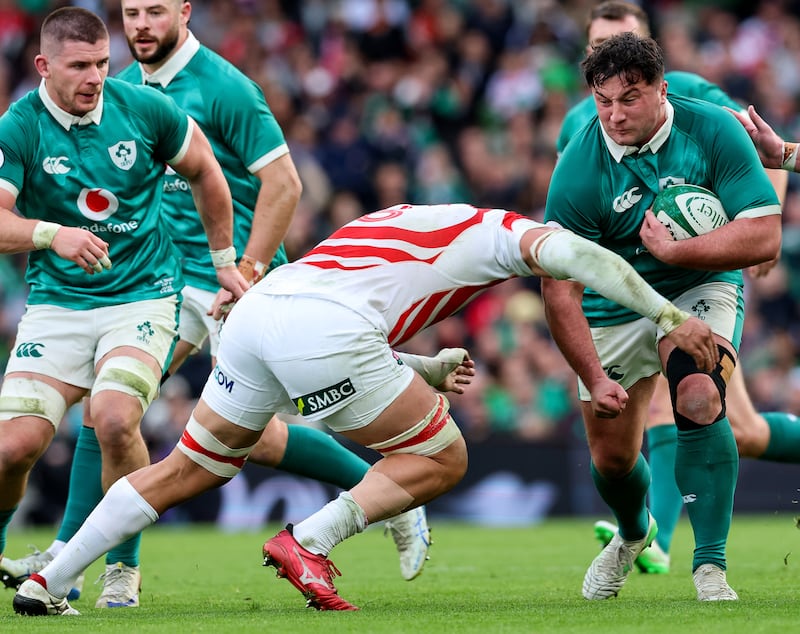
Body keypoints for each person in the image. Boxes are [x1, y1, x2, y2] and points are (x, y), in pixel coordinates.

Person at [12, 202, 718, 615]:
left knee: (187, 469)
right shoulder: (504, 231)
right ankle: (308, 541)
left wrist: (423, 367)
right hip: (317, 331)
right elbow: (584, 260)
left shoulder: (403, 220)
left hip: (264, 316)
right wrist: (663, 316)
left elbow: (334, 320)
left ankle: (53, 577)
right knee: (444, 457)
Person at [0, 0, 431, 607]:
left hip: (235, 280)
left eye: (154, 11)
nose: (141, 25)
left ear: (184, 11)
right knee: (114, 408)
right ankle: (71, 556)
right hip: (163, 280)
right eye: (130, 13)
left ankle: (388, 492)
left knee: (250, 434)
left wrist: (246, 267)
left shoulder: (226, 87)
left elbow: (285, 184)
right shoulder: (112, 89)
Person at [0, 1, 251, 610]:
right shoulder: (20, 125)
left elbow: (206, 173)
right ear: (44, 66)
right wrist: (49, 234)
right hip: (57, 305)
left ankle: (122, 566)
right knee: (13, 448)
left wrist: (224, 261)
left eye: (103, 64)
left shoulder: (145, 109)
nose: (95, 78)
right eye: (80, 66)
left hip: (142, 297)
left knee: (114, 420)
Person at [557, 0, 800, 577]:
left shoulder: (698, 99)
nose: (615, 109)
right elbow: (567, 256)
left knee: (691, 397)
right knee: (732, 432)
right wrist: (788, 157)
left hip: (698, 280)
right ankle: (640, 533)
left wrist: (777, 182)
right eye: (596, 50)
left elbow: (747, 164)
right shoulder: (578, 133)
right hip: (618, 296)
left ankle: (681, 552)